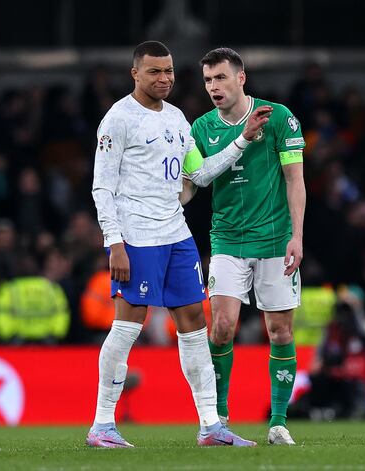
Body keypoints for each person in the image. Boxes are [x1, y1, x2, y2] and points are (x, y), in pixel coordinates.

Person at [87, 41, 270, 448]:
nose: (164, 78)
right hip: (136, 237)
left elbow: (200, 174)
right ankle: (102, 424)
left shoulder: (177, 118)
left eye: (168, 71)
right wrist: (113, 242)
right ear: (135, 73)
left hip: (177, 236)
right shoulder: (118, 119)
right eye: (154, 71)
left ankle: (211, 426)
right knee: (126, 327)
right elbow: (102, 185)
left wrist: (241, 140)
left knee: (193, 325)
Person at [186, 47, 306, 445]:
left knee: (280, 331)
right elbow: (192, 183)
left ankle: (278, 421)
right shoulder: (201, 128)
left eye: (220, 78)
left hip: (275, 240)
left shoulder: (278, 117)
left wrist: (297, 235)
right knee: (221, 327)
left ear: (241, 78)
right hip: (227, 239)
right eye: (207, 80)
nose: (213, 87)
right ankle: (217, 419)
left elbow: (294, 179)